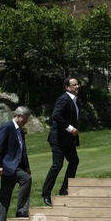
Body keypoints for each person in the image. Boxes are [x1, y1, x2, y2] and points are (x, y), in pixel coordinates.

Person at [0, 106, 32, 221]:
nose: (26, 121)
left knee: (5, 197)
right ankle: (22, 211)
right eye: (25, 119)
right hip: (7, 166)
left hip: (16, 167)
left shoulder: (20, 130)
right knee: (26, 179)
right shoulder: (7, 127)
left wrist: (27, 167)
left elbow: (22, 150)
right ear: (18, 116)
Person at [42, 77, 80, 206]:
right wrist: (70, 128)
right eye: (74, 85)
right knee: (57, 165)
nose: (77, 87)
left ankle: (65, 189)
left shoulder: (73, 100)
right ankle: (46, 193)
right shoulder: (64, 99)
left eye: (77, 84)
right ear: (66, 87)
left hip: (68, 140)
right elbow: (56, 115)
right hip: (58, 139)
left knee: (74, 161)